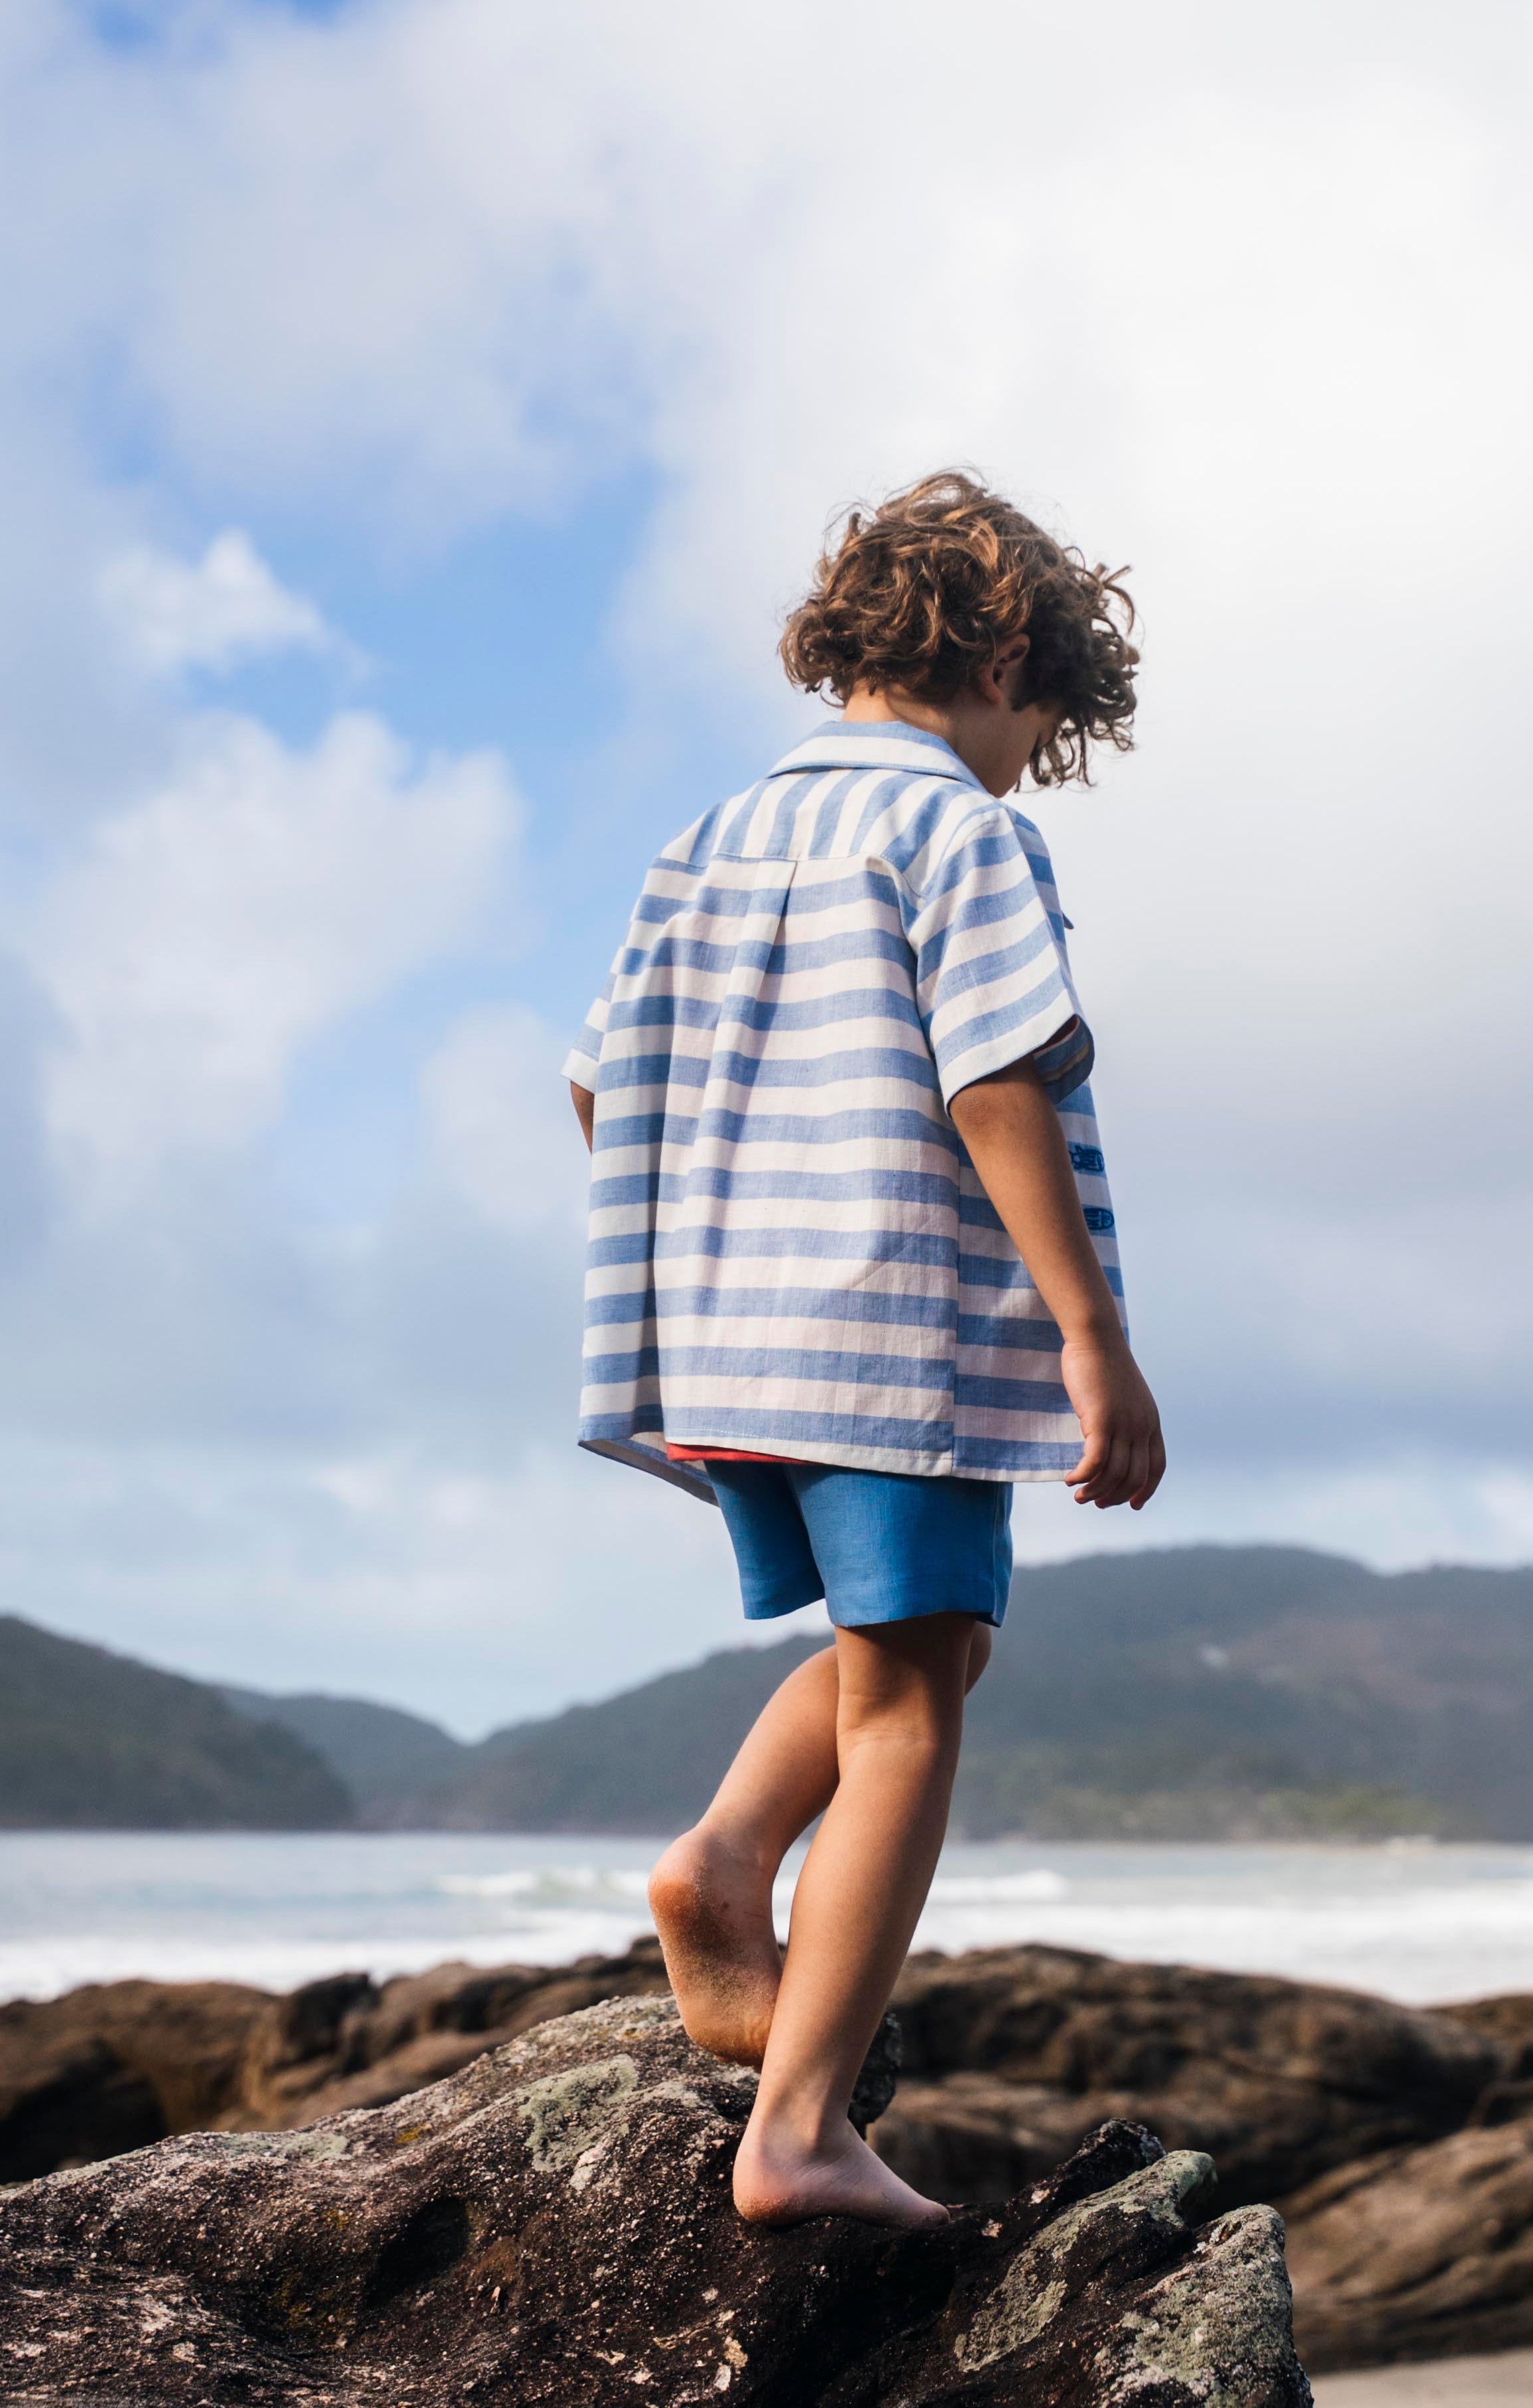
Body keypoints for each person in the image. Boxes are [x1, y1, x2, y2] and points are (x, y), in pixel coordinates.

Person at [563, 471, 1164, 2230]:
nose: (1023, 771)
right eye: (1035, 731)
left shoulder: (713, 834)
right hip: (892, 1324)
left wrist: (729, 1234)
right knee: (909, 1702)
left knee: (924, 1642)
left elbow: (602, 1083)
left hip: (736, 1329)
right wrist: (1090, 1332)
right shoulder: (957, 835)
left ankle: (723, 1857)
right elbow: (993, 1076)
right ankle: (802, 2131)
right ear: (996, 653)